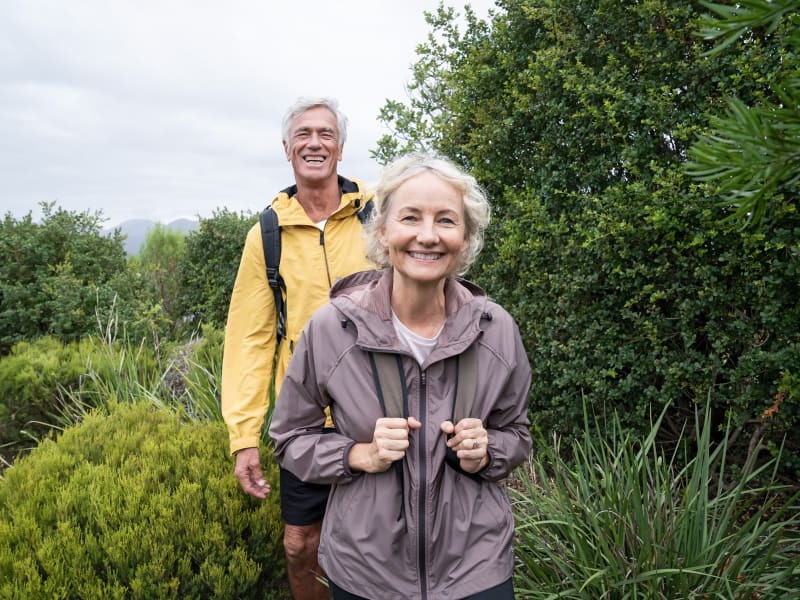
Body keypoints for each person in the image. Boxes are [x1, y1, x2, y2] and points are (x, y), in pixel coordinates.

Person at [270, 152, 533, 599]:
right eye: (411, 217)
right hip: (365, 568)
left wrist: (486, 452)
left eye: (446, 221)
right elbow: (290, 438)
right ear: (383, 230)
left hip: (477, 567)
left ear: (465, 238)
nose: (427, 236)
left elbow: (518, 436)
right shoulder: (333, 329)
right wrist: (358, 455)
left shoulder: (497, 330)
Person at [221, 96, 374, 600]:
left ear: (341, 148)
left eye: (326, 134)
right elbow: (250, 339)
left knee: (386, 539)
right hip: (306, 419)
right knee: (300, 544)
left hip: (383, 410)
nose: (315, 143)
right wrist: (244, 435)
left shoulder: (381, 216)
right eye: (304, 134)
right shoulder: (266, 234)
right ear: (287, 149)